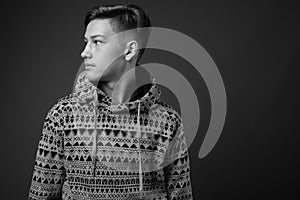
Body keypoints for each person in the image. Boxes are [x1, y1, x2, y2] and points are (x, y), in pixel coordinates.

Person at [28, 4, 193, 200]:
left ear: (130, 50)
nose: (85, 52)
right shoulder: (62, 116)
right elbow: (41, 196)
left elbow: (181, 196)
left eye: (97, 42)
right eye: (86, 42)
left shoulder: (168, 122)